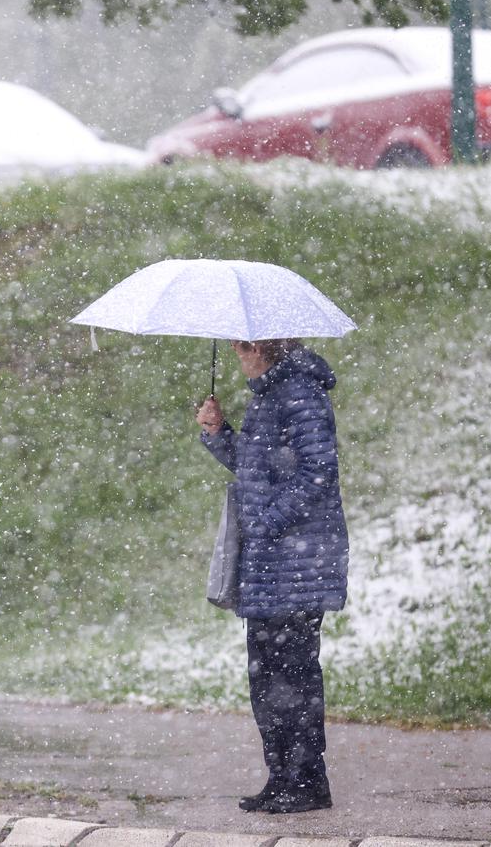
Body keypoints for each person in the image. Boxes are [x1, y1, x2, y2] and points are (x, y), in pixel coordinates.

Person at [195, 338, 349, 814]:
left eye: (245, 346)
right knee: (268, 680)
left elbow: (319, 470)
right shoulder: (269, 396)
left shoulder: (300, 393)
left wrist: (267, 522)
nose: (239, 353)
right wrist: (219, 433)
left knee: (292, 680)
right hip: (271, 567)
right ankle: (283, 779)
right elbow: (257, 470)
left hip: (295, 568)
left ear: (269, 347)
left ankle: (305, 783)